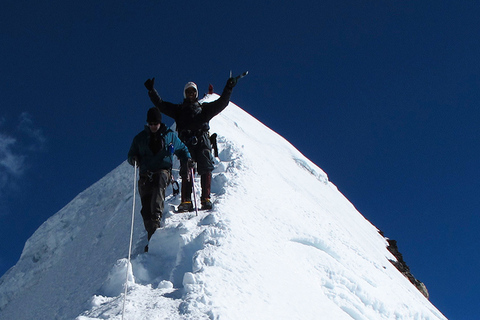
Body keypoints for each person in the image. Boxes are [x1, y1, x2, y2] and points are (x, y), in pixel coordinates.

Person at [144, 76, 237, 211]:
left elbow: (222, 103)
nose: (191, 94)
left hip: (202, 140)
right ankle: (186, 200)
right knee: (186, 169)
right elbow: (161, 105)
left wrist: (229, 88)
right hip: (186, 142)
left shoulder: (204, 109)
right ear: (185, 94)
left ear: (196, 93)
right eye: (188, 92)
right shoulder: (179, 110)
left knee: (205, 167)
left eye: (193, 91)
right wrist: (152, 91)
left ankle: (206, 198)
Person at [128, 107, 192, 251]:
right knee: (146, 209)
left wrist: (186, 159)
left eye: (155, 123)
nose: (153, 126)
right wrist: (134, 159)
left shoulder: (170, 136)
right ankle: (152, 235)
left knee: (158, 188)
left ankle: (155, 230)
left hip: (163, 171)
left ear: (160, 122)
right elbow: (131, 155)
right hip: (145, 175)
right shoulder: (140, 139)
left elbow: (182, 149)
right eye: (150, 124)